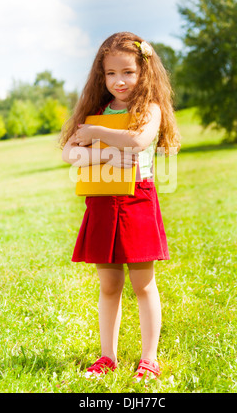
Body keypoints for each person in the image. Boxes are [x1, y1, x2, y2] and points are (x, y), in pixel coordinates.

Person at [59, 32, 181, 382]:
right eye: (111, 73)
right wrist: (108, 153)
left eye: (128, 72)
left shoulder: (149, 110)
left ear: (144, 72)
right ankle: (107, 357)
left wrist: (95, 133)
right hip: (101, 201)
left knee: (143, 284)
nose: (119, 81)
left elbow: (138, 141)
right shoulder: (97, 112)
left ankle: (149, 359)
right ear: (102, 75)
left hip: (137, 199)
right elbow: (70, 153)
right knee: (109, 285)